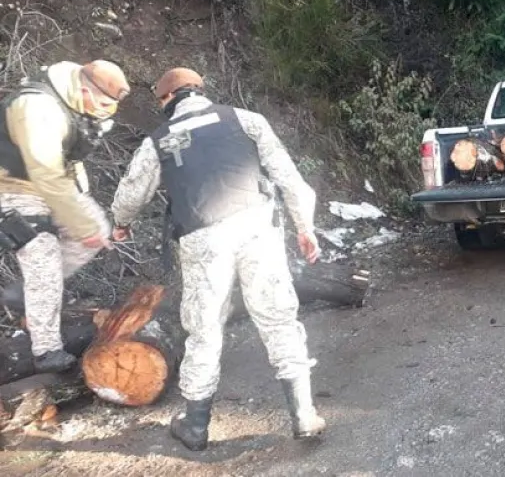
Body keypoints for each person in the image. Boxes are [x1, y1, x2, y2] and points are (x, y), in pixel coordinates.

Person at [109, 67, 325, 451]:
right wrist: (305, 227)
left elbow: (131, 192)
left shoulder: (158, 141)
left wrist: (120, 223)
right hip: (258, 228)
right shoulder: (245, 120)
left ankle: (195, 426)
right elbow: (290, 178)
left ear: (165, 100)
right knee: (278, 317)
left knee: (204, 328)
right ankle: (304, 414)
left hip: (202, 239)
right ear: (199, 91)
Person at [0, 59, 129, 372]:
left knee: (98, 229)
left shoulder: (71, 102)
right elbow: (46, 172)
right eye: (101, 104)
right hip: (12, 187)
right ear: (84, 90)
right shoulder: (37, 109)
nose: (104, 111)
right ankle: (46, 351)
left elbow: (66, 162)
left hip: (49, 183)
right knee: (41, 252)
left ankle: (24, 295)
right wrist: (78, 223)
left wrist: (85, 217)